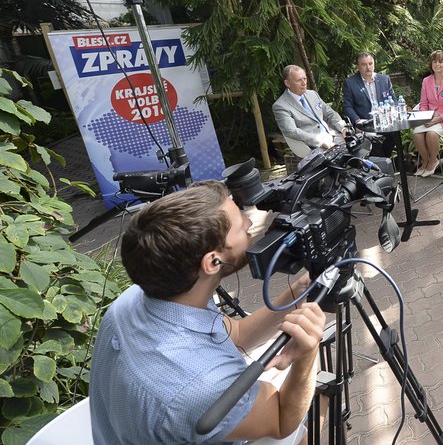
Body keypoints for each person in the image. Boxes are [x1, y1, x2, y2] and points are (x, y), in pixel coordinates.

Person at [90, 181, 327, 444]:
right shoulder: (202, 388)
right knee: (318, 407)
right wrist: (307, 352)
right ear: (213, 262)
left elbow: (235, 334)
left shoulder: (140, 297)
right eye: (240, 225)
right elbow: (282, 418)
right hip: (187, 407)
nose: (250, 225)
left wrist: (299, 292)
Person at [273, 64, 347, 154]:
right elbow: (292, 131)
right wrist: (320, 142)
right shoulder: (281, 106)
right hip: (313, 146)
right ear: (287, 83)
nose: (304, 83)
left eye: (305, 79)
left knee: (362, 145)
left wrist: (343, 128)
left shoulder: (312, 94)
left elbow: (330, 113)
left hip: (333, 135)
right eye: (299, 80)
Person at [412, 50, 443, 177]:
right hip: (429, 116)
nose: (437, 64)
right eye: (434, 61)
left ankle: (433, 160)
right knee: (416, 133)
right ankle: (426, 160)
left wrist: (438, 119)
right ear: (431, 64)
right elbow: (423, 103)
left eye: (440, 61)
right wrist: (425, 118)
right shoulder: (426, 81)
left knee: (431, 134)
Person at [343, 52, 396, 157]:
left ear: (374, 64)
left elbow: (393, 100)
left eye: (370, 63)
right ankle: (383, 165)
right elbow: (347, 106)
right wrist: (357, 121)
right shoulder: (350, 83)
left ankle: (386, 162)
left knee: (395, 134)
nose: (368, 67)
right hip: (366, 124)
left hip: (384, 122)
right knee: (375, 146)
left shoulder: (384, 79)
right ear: (358, 67)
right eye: (364, 64)